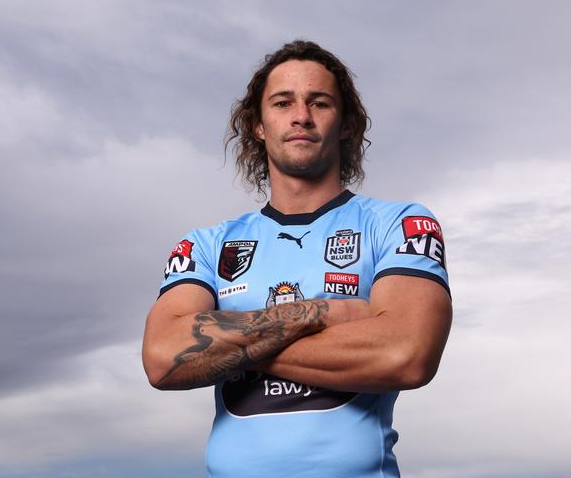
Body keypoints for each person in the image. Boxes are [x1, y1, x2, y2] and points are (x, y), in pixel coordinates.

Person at [142, 40, 451, 477]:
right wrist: (326, 312)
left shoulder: (399, 223)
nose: (301, 115)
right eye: (283, 102)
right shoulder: (208, 245)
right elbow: (162, 357)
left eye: (319, 103)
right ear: (259, 125)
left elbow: (407, 353)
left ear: (345, 124)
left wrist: (225, 347)